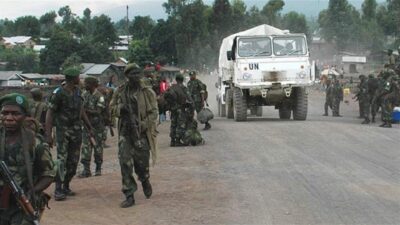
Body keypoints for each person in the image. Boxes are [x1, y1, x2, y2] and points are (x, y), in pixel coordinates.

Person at [0, 93, 55, 224]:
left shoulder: (35, 143)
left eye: (15, 114)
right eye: (4, 113)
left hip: (21, 204)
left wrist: (31, 191)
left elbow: (49, 174)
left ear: (25, 116)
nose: (9, 118)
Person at [110, 63, 158, 208]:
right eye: (133, 74)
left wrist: (143, 124)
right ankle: (129, 194)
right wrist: (121, 108)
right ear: (127, 76)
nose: (136, 76)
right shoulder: (120, 91)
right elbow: (111, 108)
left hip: (142, 133)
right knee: (125, 162)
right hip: (125, 132)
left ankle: (144, 180)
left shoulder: (147, 92)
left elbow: (154, 112)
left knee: (141, 163)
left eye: (138, 73)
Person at [45, 67, 94, 201]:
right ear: (73, 79)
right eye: (79, 77)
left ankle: (66, 185)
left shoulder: (78, 92)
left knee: (73, 161)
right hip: (63, 131)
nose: (80, 79)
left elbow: (81, 110)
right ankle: (58, 189)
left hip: (76, 131)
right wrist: (48, 134)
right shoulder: (58, 93)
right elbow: (50, 113)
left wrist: (89, 126)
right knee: (62, 160)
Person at [78, 76, 106, 178]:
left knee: (98, 148)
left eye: (86, 84)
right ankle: (86, 170)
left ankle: (98, 168)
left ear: (92, 85)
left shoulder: (100, 96)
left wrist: (85, 111)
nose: (85, 85)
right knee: (86, 149)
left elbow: (98, 112)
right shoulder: (84, 95)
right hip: (86, 127)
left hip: (98, 127)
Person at [164, 74, 192, 147]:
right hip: (181, 109)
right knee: (180, 124)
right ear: (182, 80)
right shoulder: (183, 88)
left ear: (176, 80)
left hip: (173, 109)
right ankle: (177, 141)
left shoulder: (172, 87)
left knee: (173, 124)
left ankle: (172, 141)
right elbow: (189, 99)